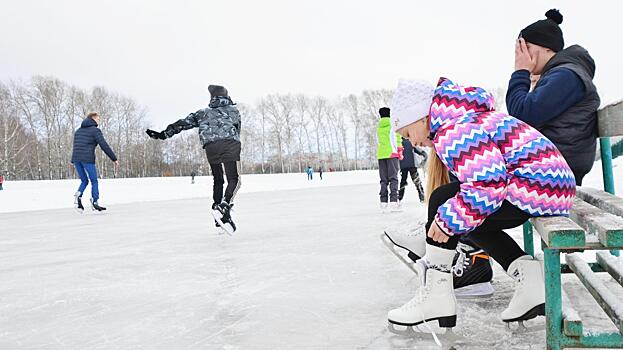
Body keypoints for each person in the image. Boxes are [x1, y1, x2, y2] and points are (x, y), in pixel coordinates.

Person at [386, 78, 575, 331]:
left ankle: (436, 297)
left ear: (421, 117)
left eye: (408, 133)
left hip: (536, 185)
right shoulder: (463, 119)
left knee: (445, 201)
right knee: (469, 217)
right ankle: (530, 280)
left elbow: (489, 183)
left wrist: (446, 220)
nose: (411, 142)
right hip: (547, 185)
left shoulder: (453, 131)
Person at [506, 9, 599, 185]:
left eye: (526, 48)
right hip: (546, 170)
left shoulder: (567, 76)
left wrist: (520, 72)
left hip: (553, 178)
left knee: (448, 194)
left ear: (546, 48)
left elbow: (522, 116)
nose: (520, 55)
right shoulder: (560, 76)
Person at [146, 85, 241, 233]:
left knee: (218, 179)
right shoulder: (233, 111)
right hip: (229, 144)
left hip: (211, 147)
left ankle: (217, 212)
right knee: (234, 180)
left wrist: (163, 134)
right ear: (226, 97)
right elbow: (237, 129)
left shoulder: (202, 113)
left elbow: (182, 124)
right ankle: (224, 206)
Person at [71, 112, 119, 211]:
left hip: (76, 158)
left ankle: (78, 194)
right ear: (93, 119)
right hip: (87, 159)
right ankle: (95, 202)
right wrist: (114, 158)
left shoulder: (78, 131)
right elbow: (104, 145)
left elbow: (76, 146)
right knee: (94, 181)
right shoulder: (95, 131)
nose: (99, 121)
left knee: (84, 180)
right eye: (98, 119)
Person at [377, 107, 403, 212]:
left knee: (383, 179)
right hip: (392, 153)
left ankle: (383, 202)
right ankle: (393, 201)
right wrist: (400, 150)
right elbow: (396, 138)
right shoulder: (392, 126)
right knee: (393, 178)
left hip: (381, 155)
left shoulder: (379, 128)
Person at [398, 137, 425, 203]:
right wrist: (423, 154)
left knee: (403, 181)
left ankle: (399, 197)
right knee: (417, 181)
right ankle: (422, 197)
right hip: (412, 165)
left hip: (403, 165)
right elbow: (418, 151)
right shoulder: (411, 142)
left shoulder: (399, 144)